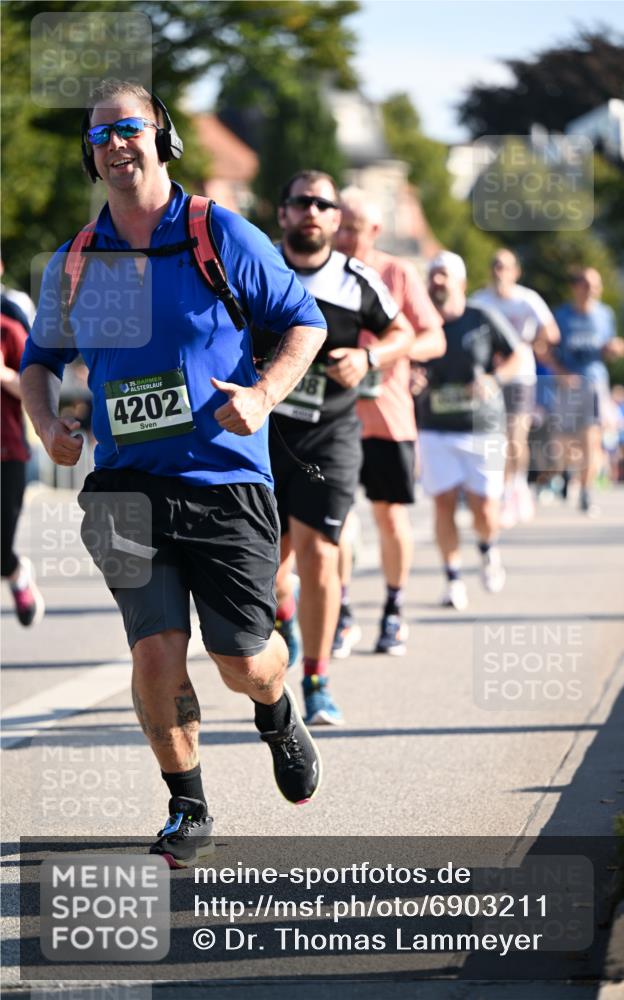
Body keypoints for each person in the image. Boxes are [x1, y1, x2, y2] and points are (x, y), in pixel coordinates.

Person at [19, 81, 328, 868]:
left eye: (130, 128)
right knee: (155, 653)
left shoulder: (216, 234)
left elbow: (303, 321)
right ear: (91, 155)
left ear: (161, 139)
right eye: (100, 135)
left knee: (242, 661)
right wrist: (49, 423)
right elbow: (38, 364)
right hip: (126, 488)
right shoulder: (75, 262)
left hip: (224, 480)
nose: (116, 143)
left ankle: (276, 709)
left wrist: (262, 394)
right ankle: (187, 804)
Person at [253, 171, 414, 724]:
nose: (313, 212)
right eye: (302, 202)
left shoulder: (357, 279)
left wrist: (368, 358)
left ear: (337, 220)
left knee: (320, 551)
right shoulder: (258, 265)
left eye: (324, 204)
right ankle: (285, 610)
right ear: (283, 213)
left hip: (330, 434)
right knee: (267, 564)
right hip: (262, 431)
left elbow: (403, 333)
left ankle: (317, 679)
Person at [332, 186, 445, 656]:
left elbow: (434, 338)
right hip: (331, 417)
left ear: (375, 231)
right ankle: (340, 612)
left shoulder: (397, 273)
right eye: (340, 227)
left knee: (389, 515)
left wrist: (388, 356)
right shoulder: (319, 271)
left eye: (354, 230)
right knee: (330, 521)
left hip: (387, 415)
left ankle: (394, 610)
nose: (344, 237)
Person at [417, 252, 521, 610]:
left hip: (484, 427)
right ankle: (452, 578)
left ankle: (489, 550)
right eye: (433, 275)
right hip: (435, 426)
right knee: (443, 503)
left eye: (444, 275)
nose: (438, 282)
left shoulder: (482, 317)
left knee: (485, 508)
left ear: (460, 282)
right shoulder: (420, 321)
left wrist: (494, 379)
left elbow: (517, 355)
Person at [470, 248, 559, 526]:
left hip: (521, 376)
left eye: (505, 267)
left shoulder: (526, 300)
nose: (500, 272)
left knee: (515, 438)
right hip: (489, 379)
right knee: (493, 439)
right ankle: (501, 491)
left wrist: (530, 344)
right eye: (495, 266)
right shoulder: (480, 301)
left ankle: (516, 487)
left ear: (515, 272)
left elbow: (552, 331)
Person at [549, 268, 624, 514]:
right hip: (567, 384)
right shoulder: (561, 316)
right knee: (564, 441)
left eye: (595, 284)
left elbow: (613, 345)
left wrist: (616, 348)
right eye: (585, 284)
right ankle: (565, 472)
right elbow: (545, 348)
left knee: (592, 440)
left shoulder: (605, 314)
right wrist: (560, 372)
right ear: (575, 287)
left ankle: (585, 491)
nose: (591, 289)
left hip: (594, 382)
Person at [1, 297, 45, 626]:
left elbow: (35, 388)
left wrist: (2, 373)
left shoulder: (9, 329)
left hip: (7, 452)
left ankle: (15, 573)